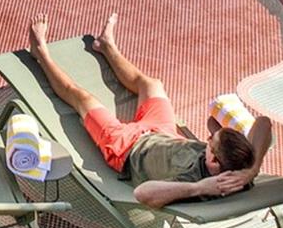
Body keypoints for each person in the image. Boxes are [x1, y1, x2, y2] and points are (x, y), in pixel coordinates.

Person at [27, 13, 270, 209]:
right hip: (164, 134)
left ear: (214, 162)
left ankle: (41, 54)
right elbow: (264, 123)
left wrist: (199, 188)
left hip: (127, 147)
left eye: (210, 142)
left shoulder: (193, 180)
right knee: (152, 85)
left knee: (82, 98)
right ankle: (107, 46)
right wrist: (252, 171)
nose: (207, 137)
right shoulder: (239, 173)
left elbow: (143, 193)